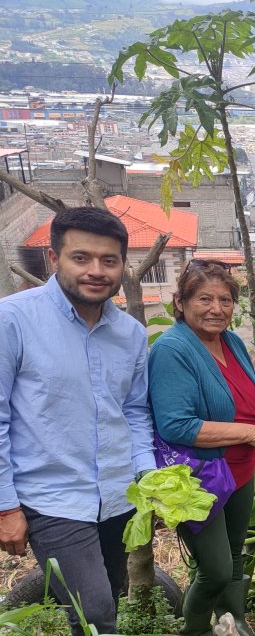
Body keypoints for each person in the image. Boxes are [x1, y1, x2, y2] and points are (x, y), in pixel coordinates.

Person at [0, 208, 155, 635]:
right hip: (52, 497)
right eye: (81, 258)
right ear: (55, 259)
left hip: (119, 494)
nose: (96, 271)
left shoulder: (130, 334)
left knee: (107, 599)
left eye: (109, 261)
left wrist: (149, 479)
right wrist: (6, 506)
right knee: (95, 609)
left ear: (123, 264)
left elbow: (136, 411)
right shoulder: (12, 320)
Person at [148, 260, 255, 636]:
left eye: (225, 300)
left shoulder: (232, 341)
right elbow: (176, 425)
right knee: (215, 569)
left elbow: (239, 397)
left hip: (238, 470)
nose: (216, 308)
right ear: (180, 302)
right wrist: (249, 434)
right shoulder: (172, 350)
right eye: (204, 298)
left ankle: (234, 620)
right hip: (199, 476)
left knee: (237, 554)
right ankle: (195, 631)